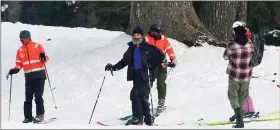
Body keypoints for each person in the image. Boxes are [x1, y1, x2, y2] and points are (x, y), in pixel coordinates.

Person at [104, 26, 165, 126]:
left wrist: (151, 65)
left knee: (135, 94)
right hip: (136, 76)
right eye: (135, 35)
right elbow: (124, 61)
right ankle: (147, 119)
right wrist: (113, 67)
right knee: (141, 96)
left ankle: (137, 118)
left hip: (147, 76)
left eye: (138, 35)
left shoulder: (148, 47)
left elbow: (161, 56)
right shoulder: (131, 48)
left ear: (142, 36)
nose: (136, 37)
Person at [8, 30, 49, 123]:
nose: (21, 40)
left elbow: (46, 58)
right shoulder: (20, 50)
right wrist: (15, 69)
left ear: (29, 38)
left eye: (23, 38)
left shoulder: (38, 46)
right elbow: (19, 63)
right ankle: (28, 117)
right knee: (28, 98)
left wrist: (43, 57)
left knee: (38, 96)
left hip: (39, 75)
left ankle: (40, 116)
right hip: (29, 77)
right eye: (21, 39)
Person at [223, 21, 254, 128]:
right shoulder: (250, 44)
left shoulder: (232, 45)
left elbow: (225, 57)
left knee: (232, 96)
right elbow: (252, 57)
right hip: (246, 75)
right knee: (242, 97)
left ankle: (240, 121)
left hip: (234, 76)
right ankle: (239, 117)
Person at [145, 24, 176, 114]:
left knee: (161, 84)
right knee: (148, 84)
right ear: (152, 32)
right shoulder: (146, 39)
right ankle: (145, 104)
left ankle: (161, 104)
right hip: (151, 66)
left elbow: (169, 49)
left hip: (162, 65)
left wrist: (172, 59)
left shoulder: (163, 39)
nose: (159, 34)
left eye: (159, 32)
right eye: (157, 32)